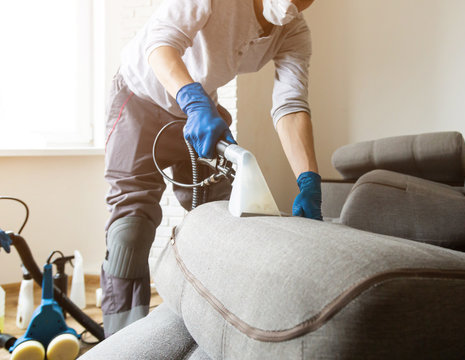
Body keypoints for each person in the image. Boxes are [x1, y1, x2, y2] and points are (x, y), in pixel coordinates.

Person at [101, 0, 322, 337]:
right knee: (129, 233)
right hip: (141, 98)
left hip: (199, 110)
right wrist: (193, 101)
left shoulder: (293, 31)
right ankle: (120, 342)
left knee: (221, 220)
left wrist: (308, 180)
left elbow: (290, 105)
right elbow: (160, 44)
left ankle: (210, 334)